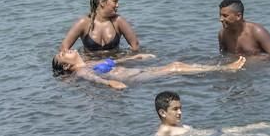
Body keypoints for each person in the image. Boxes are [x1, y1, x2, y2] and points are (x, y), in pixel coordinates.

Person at [52, 49, 246, 90]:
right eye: (62, 55)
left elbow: (113, 62)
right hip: (132, 79)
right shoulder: (81, 71)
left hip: (135, 72)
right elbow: (95, 80)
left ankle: (221, 68)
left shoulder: (89, 64)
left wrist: (134, 57)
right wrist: (110, 83)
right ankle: (225, 69)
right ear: (67, 66)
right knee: (175, 67)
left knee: (176, 64)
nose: (65, 50)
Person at [154, 91, 270, 136]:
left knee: (260, 126)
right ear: (163, 113)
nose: (180, 112)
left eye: (180, 108)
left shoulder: (174, 126)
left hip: (214, 133)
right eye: (175, 109)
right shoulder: (164, 133)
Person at [60, 0, 140, 53]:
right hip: (90, 65)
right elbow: (64, 48)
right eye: (115, 1)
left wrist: (127, 61)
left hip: (114, 64)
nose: (117, 5)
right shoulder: (84, 23)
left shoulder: (118, 21)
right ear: (102, 2)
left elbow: (135, 46)